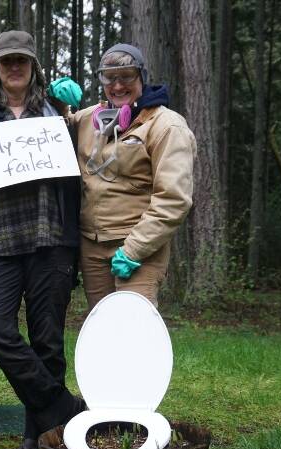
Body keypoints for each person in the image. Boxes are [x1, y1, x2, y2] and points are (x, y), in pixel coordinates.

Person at [0, 31, 86, 449]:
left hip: (50, 238)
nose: (15, 67)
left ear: (34, 65)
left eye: (23, 60)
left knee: (48, 341)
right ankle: (64, 409)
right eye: (6, 61)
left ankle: (39, 439)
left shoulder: (59, 114)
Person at [54, 44, 195, 310]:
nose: (117, 86)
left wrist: (134, 250)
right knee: (105, 327)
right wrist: (56, 102)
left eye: (126, 76)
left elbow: (173, 200)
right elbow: (53, 131)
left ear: (142, 76)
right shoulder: (90, 119)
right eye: (109, 77)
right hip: (92, 247)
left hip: (139, 247)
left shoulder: (167, 126)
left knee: (134, 328)